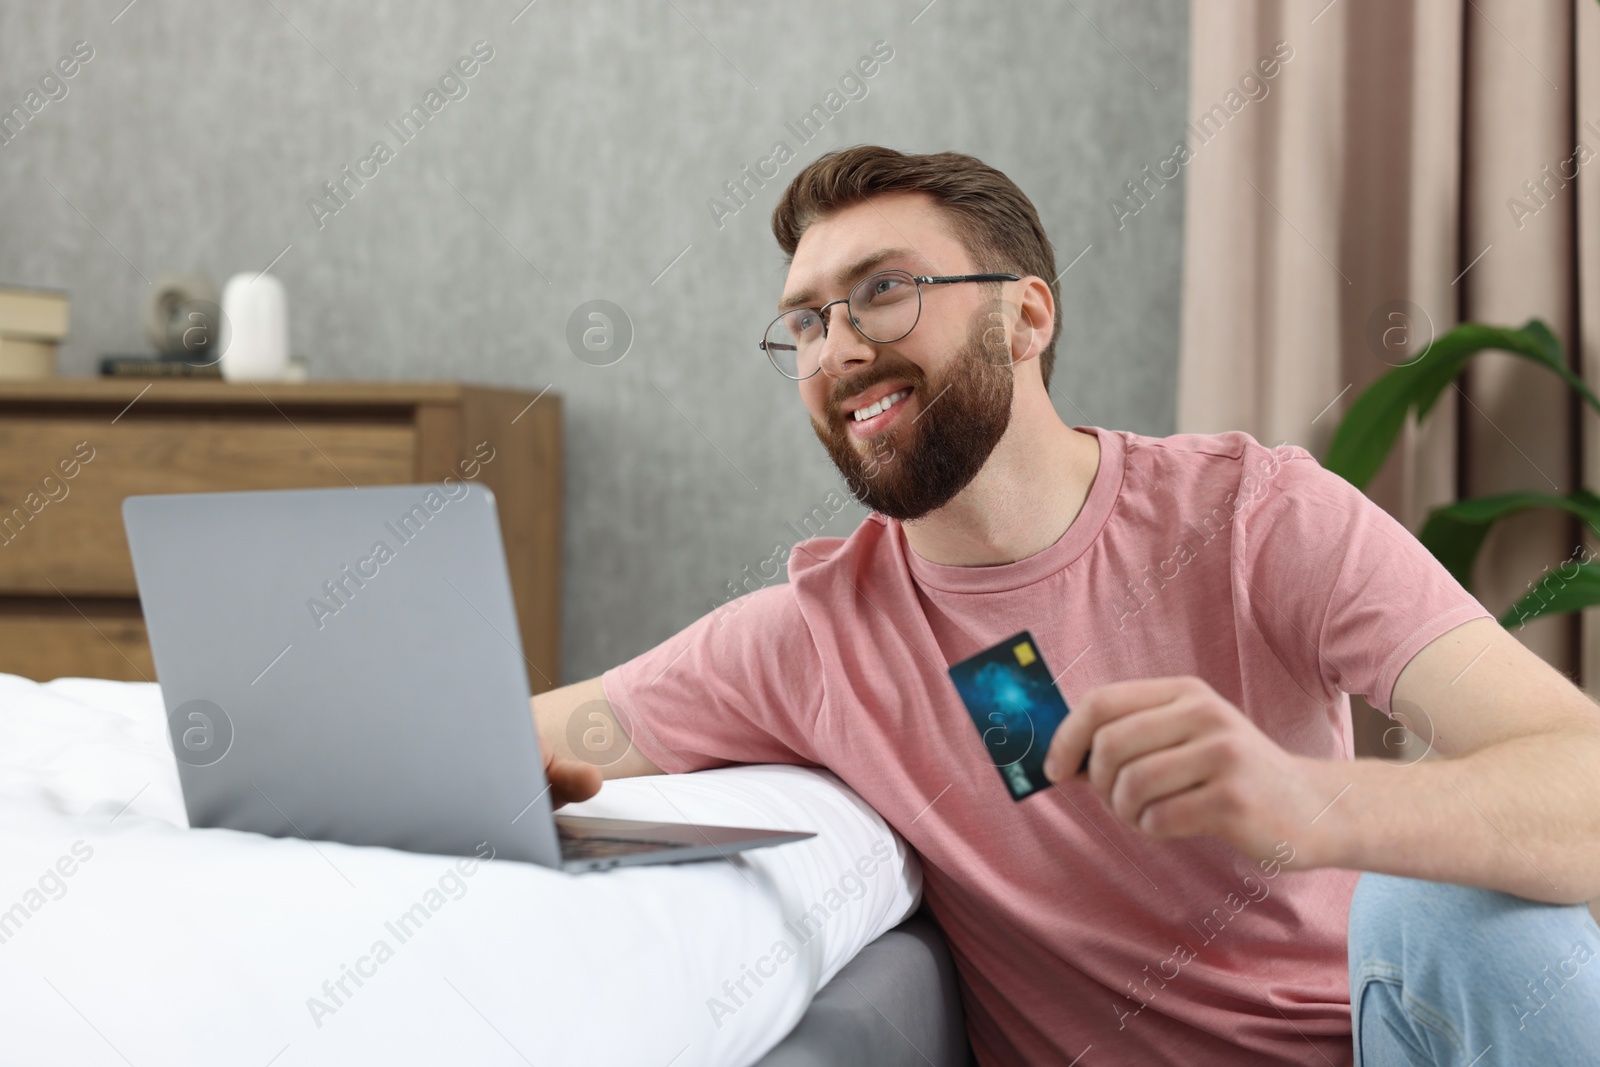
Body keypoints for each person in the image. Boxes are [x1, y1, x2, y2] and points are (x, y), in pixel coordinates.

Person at [533, 145, 1600, 1066]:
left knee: (1449, 899)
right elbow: (505, 738)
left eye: (882, 290)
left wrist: (1305, 802)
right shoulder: (811, 639)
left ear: (1025, 314)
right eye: (805, 322)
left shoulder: (1252, 516)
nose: (837, 346)